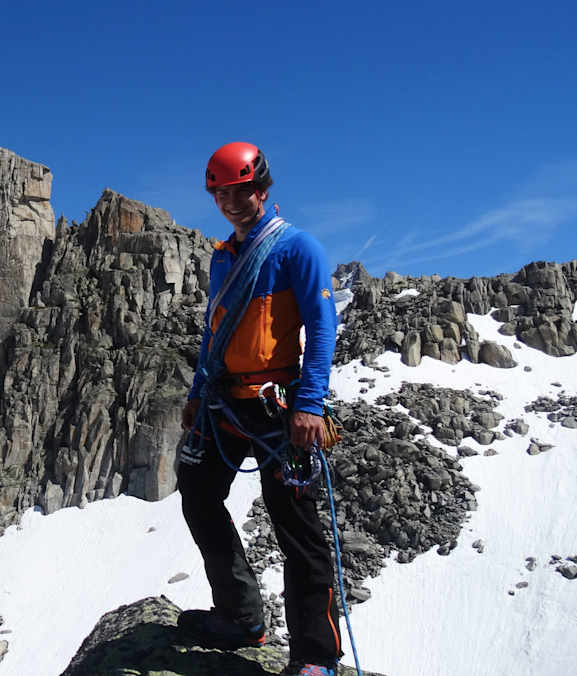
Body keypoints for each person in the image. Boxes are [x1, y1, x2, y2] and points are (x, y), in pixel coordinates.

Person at [176, 142, 341, 676]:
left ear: (262, 190)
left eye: (240, 191)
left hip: (279, 409)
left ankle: (316, 657)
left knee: (296, 526)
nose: (231, 201)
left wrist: (310, 404)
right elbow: (213, 330)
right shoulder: (223, 257)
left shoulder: (297, 249)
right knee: (199, 496)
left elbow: (322, 328)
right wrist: (198, 393)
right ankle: (241, 615)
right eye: (222, 193)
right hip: (225, 403)